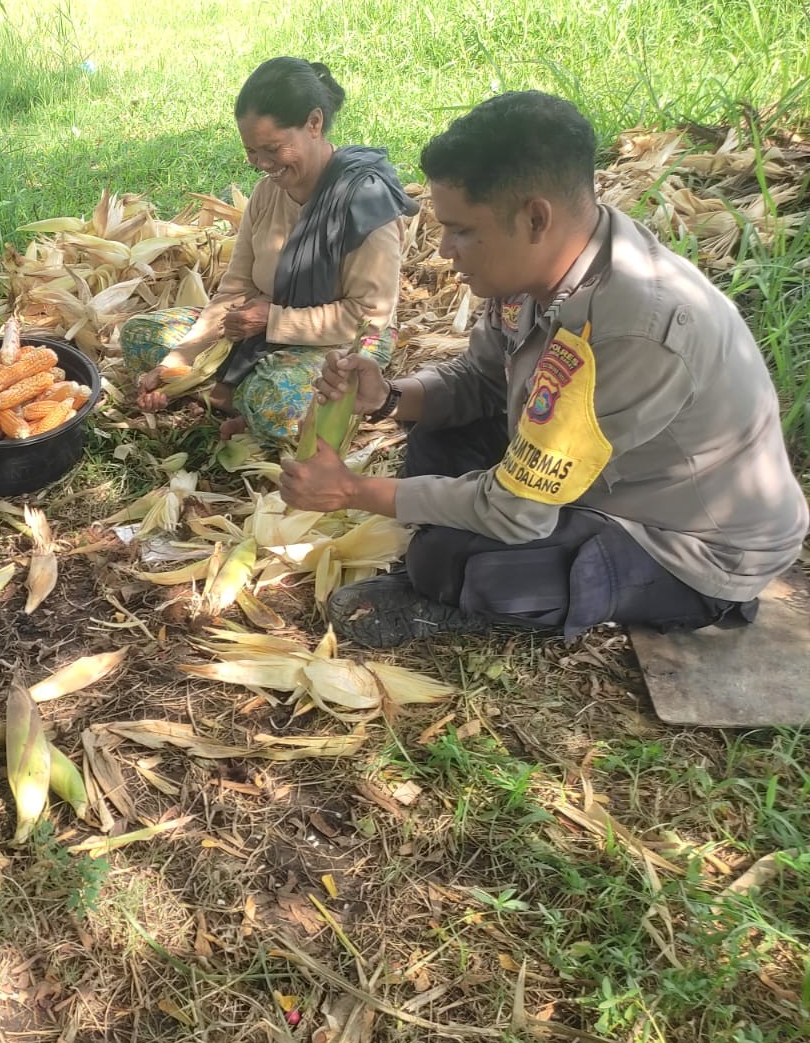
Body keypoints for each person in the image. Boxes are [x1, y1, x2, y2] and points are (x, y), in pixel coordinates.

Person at [281, 91, 810, 647]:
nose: (444, 250)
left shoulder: (633, 327)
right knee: (436, 432)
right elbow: (482, 381)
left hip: (685, 540)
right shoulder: (541, 268)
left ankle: (475, 590)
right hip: (589, 470)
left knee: (448, 561)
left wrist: (351, 491)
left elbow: (516, 511)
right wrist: (388, 397)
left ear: (535, 217)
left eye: (461, 230)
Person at [124, 57, 417, 445]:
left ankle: (229, 397)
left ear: (314, 124)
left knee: (275, 398)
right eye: (251, 151)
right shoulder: (267, 193)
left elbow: (368, 318)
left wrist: (273, 320)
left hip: (346, 339)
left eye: (273, 149)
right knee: (141, 335)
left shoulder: (364, 202)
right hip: (262, 325)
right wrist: (180, 361)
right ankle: (232, 400)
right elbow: (234, 290)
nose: (262, 165)